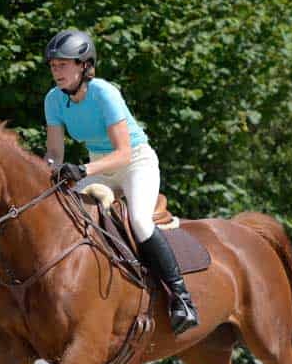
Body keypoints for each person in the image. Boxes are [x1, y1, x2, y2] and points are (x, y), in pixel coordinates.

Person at [42, 29, 199, 334]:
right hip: (100, 167)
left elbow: (124, 153)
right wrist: (48, 174)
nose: (56, 71)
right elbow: (54, 152)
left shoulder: (104, 93)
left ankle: (181, 298)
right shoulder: (53, 100)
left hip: (134, 163)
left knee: (140, 221)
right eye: (53, 65)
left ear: (84, 66)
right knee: (68, 215)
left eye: (63, 64)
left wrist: (83, 170)